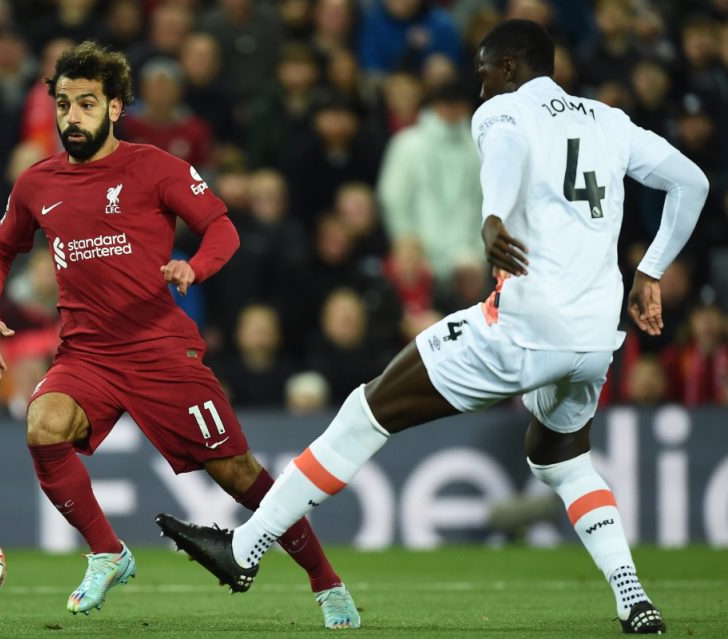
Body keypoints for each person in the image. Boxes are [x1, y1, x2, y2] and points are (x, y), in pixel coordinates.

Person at [156, 20, 710, 635]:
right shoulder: (610, 121)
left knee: (366, 412)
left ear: (508, 67)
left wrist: (493, 218)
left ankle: (245, 549)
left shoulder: (502, 111)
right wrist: (651, 269)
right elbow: (693, 182)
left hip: (522, 329)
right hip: (593, 339)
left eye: (483, 70)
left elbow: (507, 155)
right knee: (561, 462)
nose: (479, 85)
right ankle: (633, 597)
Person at [0, 41, 360, 629]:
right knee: (42, 424)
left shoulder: (155, 167)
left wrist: (193, 268)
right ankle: (107, 552)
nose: (72, 116)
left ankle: (326, 583)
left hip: (159, 350)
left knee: (239, 474)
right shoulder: (36, 183)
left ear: (115, 108)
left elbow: (222, 229)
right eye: (64, 104)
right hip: (86, 354)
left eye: (86, 103)